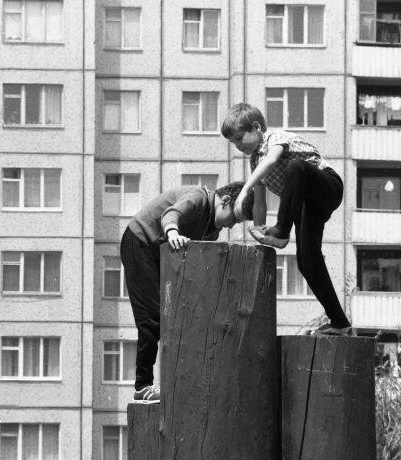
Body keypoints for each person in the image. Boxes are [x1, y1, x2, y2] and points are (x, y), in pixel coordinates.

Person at [221, 102, 352, 336]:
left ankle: (282, 232)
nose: (238, 146)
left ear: (257, 127)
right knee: (306, 260)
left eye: (240, 139)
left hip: (327, 186)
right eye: (233, 143)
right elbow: (260, 202)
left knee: (295, 167)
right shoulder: (254, 161)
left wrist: (244, 191)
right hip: (306, 206)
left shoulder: (275, 138)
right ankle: (339, 322)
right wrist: (259, 230)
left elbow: (272, 161)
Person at [121, 181, 254, 401]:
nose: (231, 226)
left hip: (158, 255)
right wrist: (173, 232)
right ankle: (143, 385)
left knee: (177, 317)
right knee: (152, 317)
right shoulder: (199, 198)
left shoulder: (211, 231)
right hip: (140, 242)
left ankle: (180, 382)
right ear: (226, 201)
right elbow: (171, 214)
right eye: (233, 218)